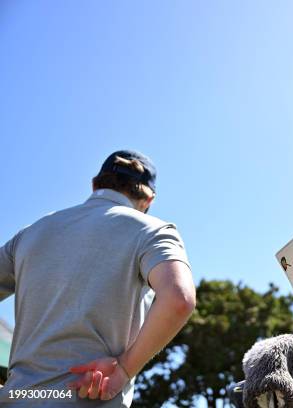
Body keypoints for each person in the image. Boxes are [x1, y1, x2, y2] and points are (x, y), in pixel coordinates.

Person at [0, 150, 196, 407]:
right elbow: (179, 298)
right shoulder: (152, 231)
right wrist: (124, 369)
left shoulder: (31, 233)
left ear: (95, 184)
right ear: (148, 199)